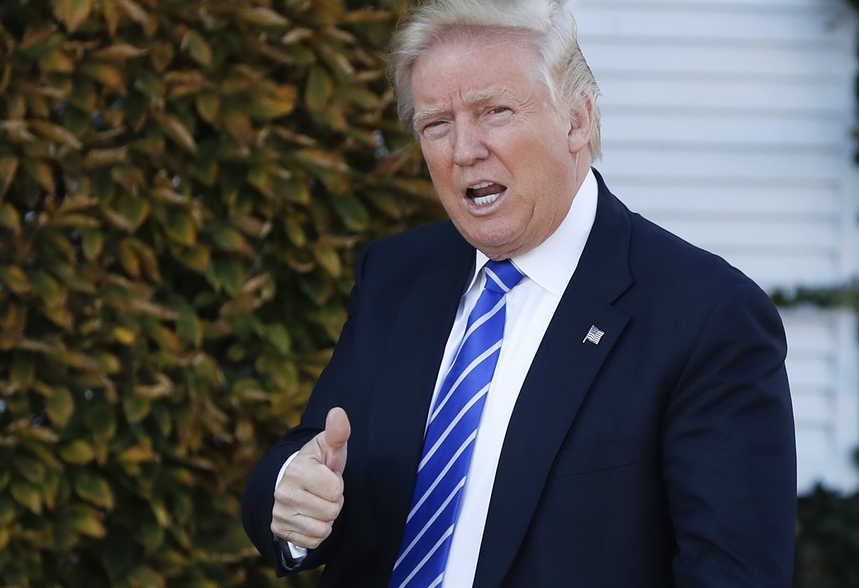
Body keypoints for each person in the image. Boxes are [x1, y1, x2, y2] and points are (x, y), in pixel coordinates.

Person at [242, 0, 797, 586]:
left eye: (495, 112)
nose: (463, 150)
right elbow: (314, 453)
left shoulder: (707, 316)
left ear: (577, 121)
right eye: (436, 124)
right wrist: (291, 492)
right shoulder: (396, 275)